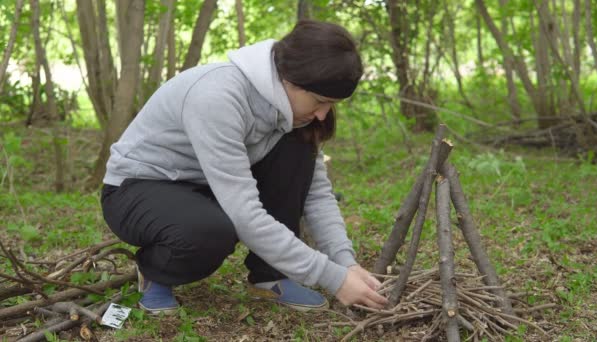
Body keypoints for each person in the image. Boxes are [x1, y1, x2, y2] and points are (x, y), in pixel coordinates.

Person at [100, 20, 388, 315]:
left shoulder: (294, 114)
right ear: (289, 79)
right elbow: (244, 214)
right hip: (138, 189)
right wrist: (333, 279)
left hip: (207, 186)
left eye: (332, 104)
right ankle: (156, 272)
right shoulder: (218, 96)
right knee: (209, 232)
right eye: (320, 101)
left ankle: (270, 276)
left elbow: (315, 194)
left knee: (296, 147)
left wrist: (345, 263)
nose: (322, 114)